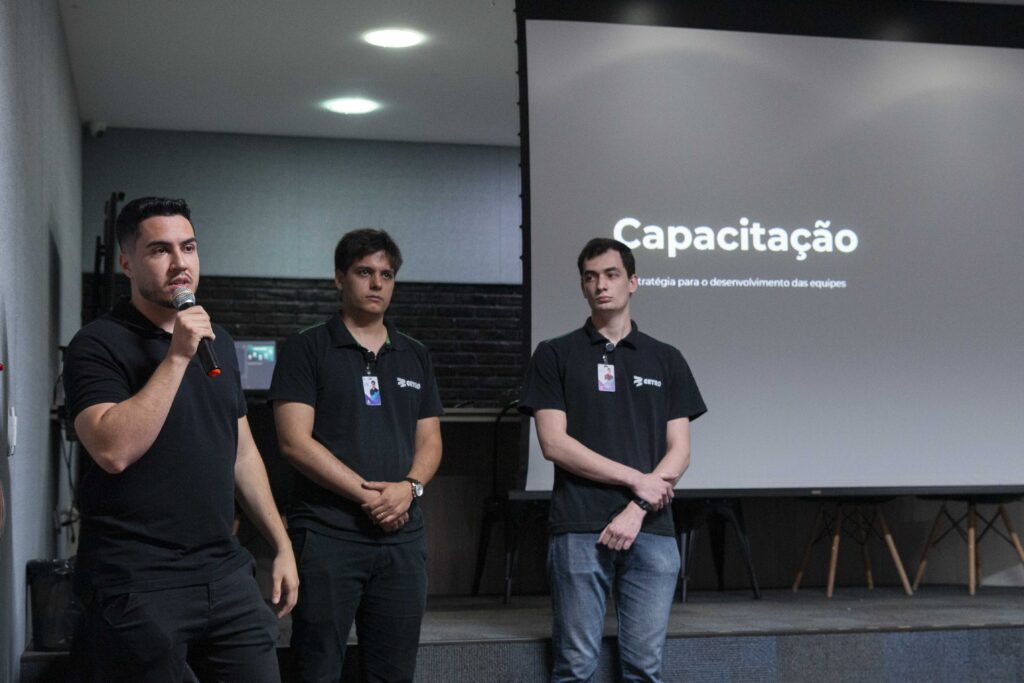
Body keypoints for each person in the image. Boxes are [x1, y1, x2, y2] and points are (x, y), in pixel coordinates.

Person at [63, 196, 298, 682]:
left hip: (224, 573)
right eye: (160, 250)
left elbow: (243, 452)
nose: (179, 263)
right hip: (137, 581)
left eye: (188, 248)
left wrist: (282, 543)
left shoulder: (221, 343)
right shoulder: (97, 344)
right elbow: (112, 451)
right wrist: (175, 357)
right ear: (127, 262)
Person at [519, 238, 706, 682]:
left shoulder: (666, 358)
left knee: (644, 668)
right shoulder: (554, 353)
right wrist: (637, 481)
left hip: (653, 530)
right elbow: (554, 444)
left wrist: (637, 507)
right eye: (590, 277)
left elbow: (680, 450)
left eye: (611, 274)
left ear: (633, 282)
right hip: (579, 526)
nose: (600, 285)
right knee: (575, 667)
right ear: (583, 287)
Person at [270, 228, 443, 682]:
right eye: (365, 272)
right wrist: (371, 496)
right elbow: (294, 442)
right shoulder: (305, 348)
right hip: (328, 536)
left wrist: (410, 488)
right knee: (317, 668)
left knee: (393, 672)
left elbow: (430, 442)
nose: (376, 284)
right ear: (339, 279)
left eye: (386, 274)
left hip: (402, 538)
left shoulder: (415, 355)